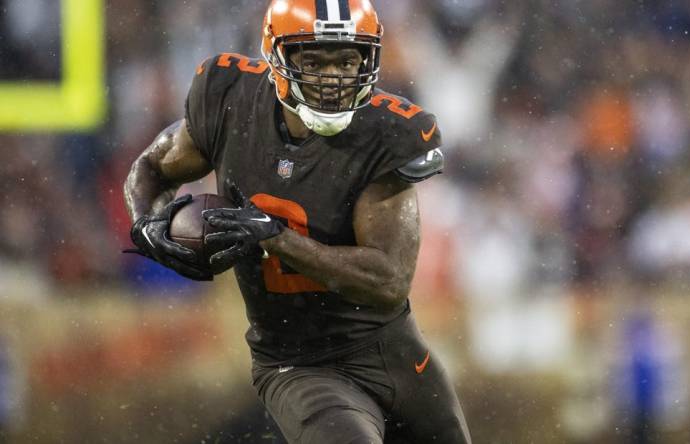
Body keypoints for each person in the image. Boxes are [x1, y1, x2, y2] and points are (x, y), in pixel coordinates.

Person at [123, 0, 471, 442]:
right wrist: (147, 225)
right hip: (299, 363)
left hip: (393, 350)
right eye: (314, 60)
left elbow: (388, 282)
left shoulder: (387, 133)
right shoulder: (230, 101)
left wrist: (275, 238)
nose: (332, 78)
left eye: (347, 60)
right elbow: (152, 168)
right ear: (277, 57)